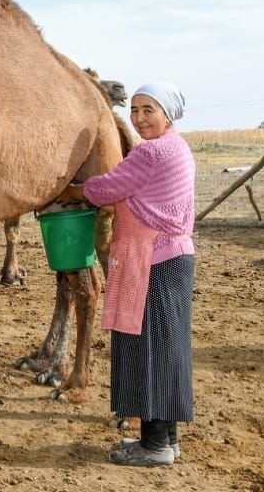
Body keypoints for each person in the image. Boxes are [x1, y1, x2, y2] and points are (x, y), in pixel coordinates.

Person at [55, 80, 195, 467]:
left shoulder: (152, 153)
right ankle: (164, 439)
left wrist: (69, 190)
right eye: (134, 110)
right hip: (173, 258)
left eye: (148, 110)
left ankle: (155, 447)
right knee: (166, 351)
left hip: (153, 261)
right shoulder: (178, 147)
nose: (139, 118)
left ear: (167, 114)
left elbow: (106, 188)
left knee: (149, 348)